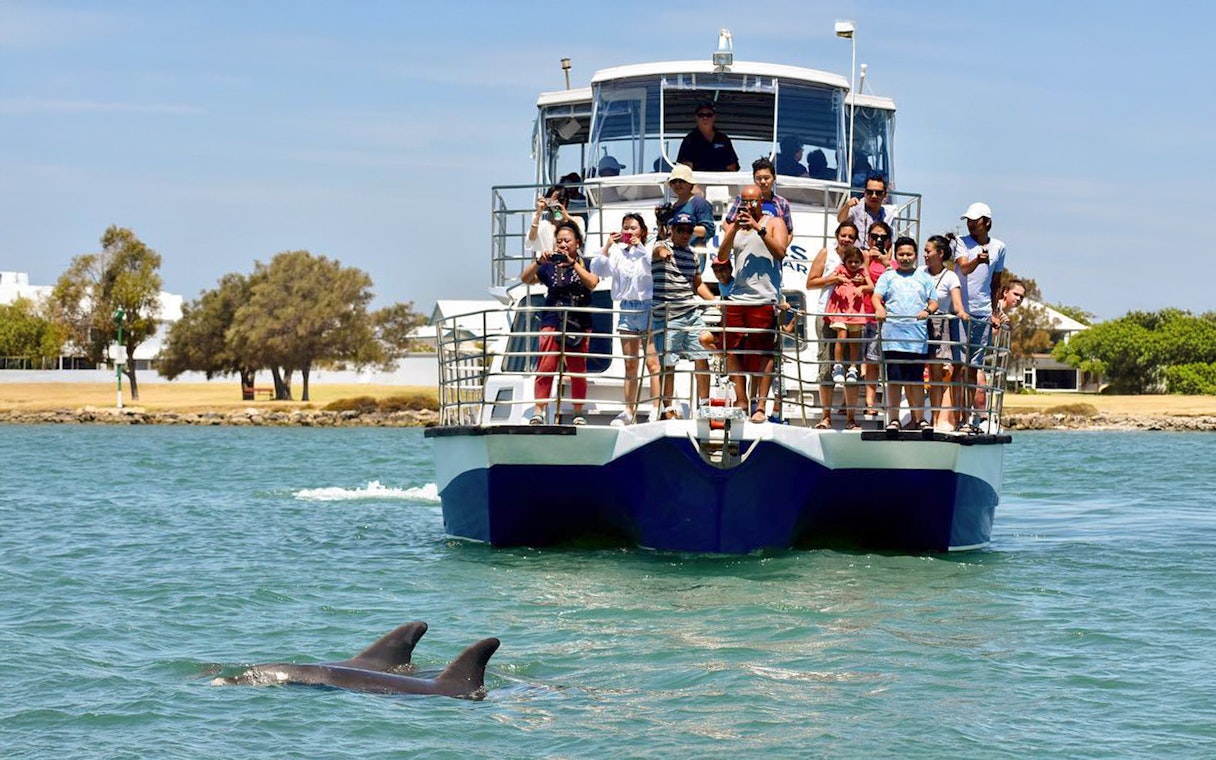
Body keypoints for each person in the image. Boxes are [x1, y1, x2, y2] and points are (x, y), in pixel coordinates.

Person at [714, 184, 789, 423]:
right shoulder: (736, 227)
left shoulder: (775, 222)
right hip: (738, 298)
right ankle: (742, 399)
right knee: (731, 349)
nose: (748, 206)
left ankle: (761, 405)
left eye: (753, 201)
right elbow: (722, 256)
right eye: (744, 201)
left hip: (764, 298)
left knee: (764, 353)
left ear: (761, 201)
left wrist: (758, 228)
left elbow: (780, 252)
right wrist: (734, 227)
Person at [520, 220, 600, 425]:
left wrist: (572, 263)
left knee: (577, 369)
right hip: (552, 319)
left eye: (567, 241)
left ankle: (578, 411)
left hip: (578, 322)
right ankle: (539, 410)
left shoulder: (586, 263)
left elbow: (591, 283)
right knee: (545, 366)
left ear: (578, 243)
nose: (563, 245)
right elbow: (526, 279)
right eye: (559, 241)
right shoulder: (549, 266)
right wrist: (539, 262)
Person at [591, 213, 661, 425]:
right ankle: (629, 410)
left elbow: (653, 266)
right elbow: (597, 268)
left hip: (648, 308)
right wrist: (608, 245)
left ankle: (656, 408)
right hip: (626, 310)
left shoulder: (648, 250)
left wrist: (640, 246)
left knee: (653, 363)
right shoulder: (618, 254)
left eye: (633, 228)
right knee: (630, 365)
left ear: (642, 231)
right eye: (626, 228)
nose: (629, 232)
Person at [651, 212, 715, 418]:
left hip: (690, 312)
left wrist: (715, 303)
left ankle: (704, 405)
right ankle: (667, 407)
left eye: (689, 230)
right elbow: (657, 251)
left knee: (702, 355)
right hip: (668, 316)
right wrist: (663, 254)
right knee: (668, 363)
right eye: (681, 229)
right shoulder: (662, 246)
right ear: (672, 229)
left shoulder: (693, 254)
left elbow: (697, 284)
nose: (686, 234)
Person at [872, 237, 938, 430]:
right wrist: (879, 308)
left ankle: (919, 419)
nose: (905, 258)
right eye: (901, 254)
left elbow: (933, 301)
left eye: (909, 254)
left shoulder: (924, 278)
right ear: (895, 255)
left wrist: (928, 310)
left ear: (915, 256)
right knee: (894, 381)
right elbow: (877, 297)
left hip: (917, 339)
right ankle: (893, 419)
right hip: (892, 338)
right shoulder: (888, 276)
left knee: (915, 381)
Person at [953, 202, 1007, 431]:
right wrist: (978, 260)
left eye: (975, 220)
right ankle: (957, 416)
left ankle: (969, 416)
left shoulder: (999, 247)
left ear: (986, 221)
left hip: (983, 312)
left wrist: (995, 312)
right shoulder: (960, 242)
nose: (970, 224)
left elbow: (996, 282)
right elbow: (963, 268)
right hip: (959, 312)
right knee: (957, 366)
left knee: (973, 367)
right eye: (968, 220)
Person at [805, 221, 862, 429]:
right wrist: (832, 279)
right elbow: (810, 283)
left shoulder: (858, 256)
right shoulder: (826, 254)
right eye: (843, 235)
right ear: (837, 235)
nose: (846, 239)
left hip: (853, 316)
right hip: (827, 314)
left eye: (851, 236)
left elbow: (868, 284)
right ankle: (826, 416)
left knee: (852, 367)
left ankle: (851, 418)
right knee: (826, 365)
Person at [920, 235, 969, 430]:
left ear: (940, 254)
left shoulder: (950, 277)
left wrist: (963, 314)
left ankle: (937, 418)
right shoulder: (919, 272)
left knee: (937, 373)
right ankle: (924, 417)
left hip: (940, 325)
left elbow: (957, 305)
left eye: (928, 251)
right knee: (922, 371)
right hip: (919, 323)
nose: (924, 255)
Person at [825, 245, 872, 388]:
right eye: (850, 261)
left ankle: (852, 368)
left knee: (854, 340)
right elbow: (830, 278)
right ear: (845, 261)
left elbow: (871, 286)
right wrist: (837, 278)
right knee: (842, 336)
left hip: (856, 309)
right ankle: (837, 365)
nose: (853, 264)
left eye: (856, 262)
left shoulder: (862, 272)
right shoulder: (840, 269)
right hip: (841, 308)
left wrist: (861, 287)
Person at [859, 221, 894, 415]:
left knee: (877, 361)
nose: (878, 240)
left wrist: (884, 262)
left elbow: (897, 281)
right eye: (874, 236)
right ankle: (866, 403)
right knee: (860, 361)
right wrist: (868, 260)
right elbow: (860, 276)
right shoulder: (862, 256)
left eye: (883, 237)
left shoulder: (894, 262)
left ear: (889, 241)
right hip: (861, 314)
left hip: (883, 318)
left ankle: (883, 404)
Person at [724, 157, 793, 236]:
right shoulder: (742, 199)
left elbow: (789, 232)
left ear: (774, 178)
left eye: (766, 178)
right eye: (759, 179)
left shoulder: (782, 203)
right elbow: (726, 224)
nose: (763, 182)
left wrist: (780, 246)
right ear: (753, 178)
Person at [526, 185, 585, 264]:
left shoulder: (577, 220)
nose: (557, 204)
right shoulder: (544, 225)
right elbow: (531, 239)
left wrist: (566, 216)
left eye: (561, 200)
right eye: (553, 201)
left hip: (570, 264)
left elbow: (581, 236)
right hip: (548, 266)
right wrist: (539, 212)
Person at [676, 101, 739, 172]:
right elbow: (685, 168)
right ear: (696, 117)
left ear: (714, 117)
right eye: (701, 115)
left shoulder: (723, 139)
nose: (705, 118)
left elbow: (732, 166)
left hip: (721, 181)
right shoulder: (689, 140)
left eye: (709, 115)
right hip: (697, 181)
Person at [663, 164, 715, 248]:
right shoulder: (672, 208)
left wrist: (682, 229)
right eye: (674, 181)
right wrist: (660, 222)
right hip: (674, 254)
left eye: (681, 181)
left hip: (694, 256)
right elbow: (665, 236)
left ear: (690, 184)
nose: (677, 184)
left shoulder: (699, 203)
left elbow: (709, 231)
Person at [837, 173, 897, 245]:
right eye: (870, 192)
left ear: (884, 194)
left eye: (878, 193)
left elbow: (891, 242)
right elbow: (841, 220)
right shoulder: (856, 207)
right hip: (856, 254)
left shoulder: (888, 216)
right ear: (864, 192)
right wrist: (846, 206)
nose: (874, 196)